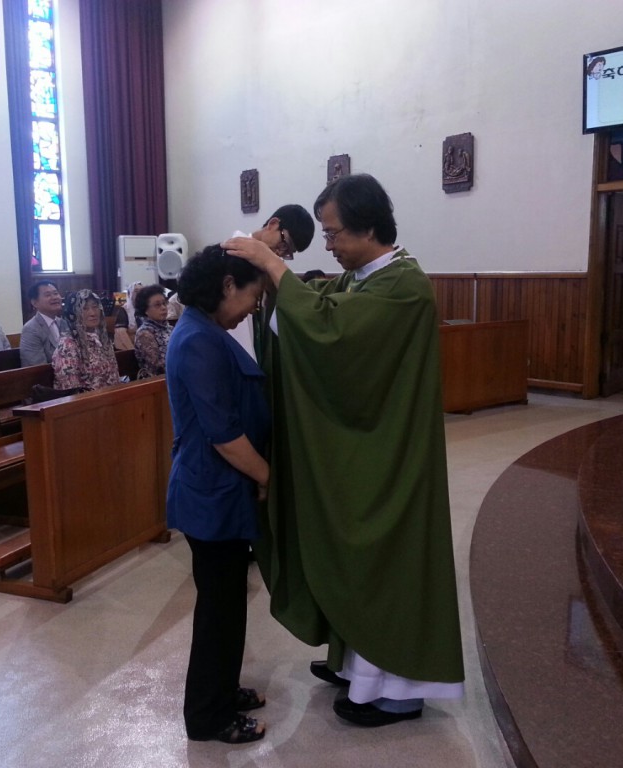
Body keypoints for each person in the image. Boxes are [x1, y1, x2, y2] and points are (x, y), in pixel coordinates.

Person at [222, 173, 465, 727]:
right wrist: (272, 275)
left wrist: (273, 264)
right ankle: (358, 664)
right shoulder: (364, 279)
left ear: (369, 228)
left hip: (388, 456)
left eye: (333, 235)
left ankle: (398, 690)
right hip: (371, 446)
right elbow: (317, 312)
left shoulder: (404, 286)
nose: (328, 245)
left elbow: (333, 336)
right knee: (355, 560)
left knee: (382, 559)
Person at [165, 245, 270, 744]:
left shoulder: (205, 329)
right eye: (252, 296)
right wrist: (269, 477)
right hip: (210, 492)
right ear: (228, 285)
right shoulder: (198, 341)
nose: (253, 307)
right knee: (218, 608)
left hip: (222, 490)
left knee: (228, 601)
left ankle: (223, 690)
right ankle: (208, 716)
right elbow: (224, 436)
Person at [227, 204, 315, 360]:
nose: (280, 253)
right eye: (284, 243)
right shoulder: (232, 257)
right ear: (273, 224)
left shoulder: (270, 269)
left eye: (288, 252)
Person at [51, 289, 120, 391]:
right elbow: (71, 389)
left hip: (111, 396)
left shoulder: (103, 339)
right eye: (85, 308)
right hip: (86, 399)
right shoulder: (68, 345)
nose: (93, 313)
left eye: (95, 307)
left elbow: (114, 376)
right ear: (74, 313)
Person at [19, 280, 68, 366]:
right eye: (48, 295)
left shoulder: (64, 323)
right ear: (35, 303)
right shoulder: (31, 329)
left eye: (56, 293)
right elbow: (37, 366)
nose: (54, 297)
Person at [133, 284, 171, 378]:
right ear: (145, 310)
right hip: (157, 381)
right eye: (157, 305)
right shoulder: (144, 333)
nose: (163, 307)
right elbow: (157, 367)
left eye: (164, 303)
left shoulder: (170, 328)